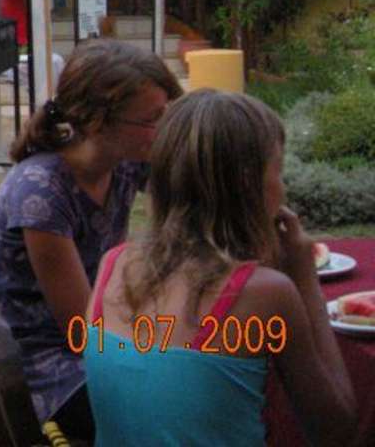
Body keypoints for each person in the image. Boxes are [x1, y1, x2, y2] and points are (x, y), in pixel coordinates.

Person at [83, 90, 356, 446]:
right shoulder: (265, 292)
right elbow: (336, 431)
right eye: (279, 171)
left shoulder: (113, 264)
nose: (283, 188)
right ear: (249, 183)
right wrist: (306, 281)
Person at [0, 39, 182, 441]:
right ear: (95, 121)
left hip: (96, 345)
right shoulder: (40, 194)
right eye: (152, 119)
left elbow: (195, 204)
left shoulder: (124, 164)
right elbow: (81, 331)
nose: (163, 131)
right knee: (190, 398)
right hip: (51, 375)